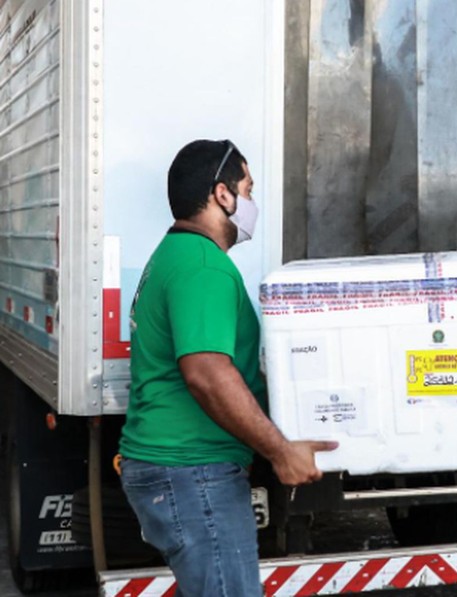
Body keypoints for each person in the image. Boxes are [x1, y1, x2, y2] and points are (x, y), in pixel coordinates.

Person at [119, 139, 337, 596]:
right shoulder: (204, 266)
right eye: (249, 190)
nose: (252, 203)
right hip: (193, 472)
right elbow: (207, 373)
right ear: (222, 194)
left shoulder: (173, 255)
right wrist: (280, 451)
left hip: (178, 471)